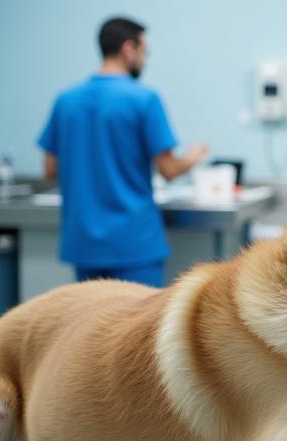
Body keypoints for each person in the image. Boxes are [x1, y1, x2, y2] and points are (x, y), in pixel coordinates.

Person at [38, 16, 208, 288]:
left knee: (89, 327)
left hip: (83, 245)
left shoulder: (65, 100)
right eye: (144, 52)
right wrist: (194, 156)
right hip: (134, 245)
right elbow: (169, 170)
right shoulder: (144, 99)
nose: (145, 60)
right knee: (139, 328)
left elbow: (49, 171)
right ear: (129, 49)